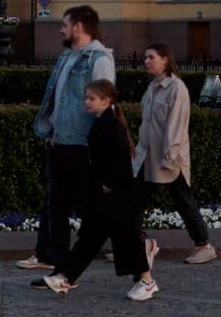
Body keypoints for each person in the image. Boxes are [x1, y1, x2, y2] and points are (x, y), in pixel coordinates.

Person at [17, 5, 117, 279]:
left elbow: (104, 107)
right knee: (56, 208)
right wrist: (52, 134)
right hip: (59, 143)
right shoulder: (68, 57)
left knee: (92, 211)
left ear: (79, 27)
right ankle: (58, 270)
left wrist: (96, 148)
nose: (61, 29)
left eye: (65, 24)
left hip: (82, 147)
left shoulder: (98, 60)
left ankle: (136, 246)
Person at [44, 80, 160, 301]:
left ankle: (147, 281)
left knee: (121, 239)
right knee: (92, 237)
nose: (86, 102)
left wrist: (108, 184)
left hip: (116, 195)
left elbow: (117, 160)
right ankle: (65, 277)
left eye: (92, 98)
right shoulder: (105, 122)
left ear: (106, 101)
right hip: (109, 194)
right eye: (86, 97)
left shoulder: (110, 125)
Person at [135, 44, 217, 264]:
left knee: (183, 200)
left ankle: (204, 245)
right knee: (134, 201)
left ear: (165, 59)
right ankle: (133, 246)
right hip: (147, 156)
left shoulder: (176, 88)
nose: (146, 61)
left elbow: (176, 126)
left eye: (151, 57)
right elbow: (147, 123)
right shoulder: (152, 87)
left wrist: (170, 157)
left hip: (169, 159)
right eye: (145, 57)